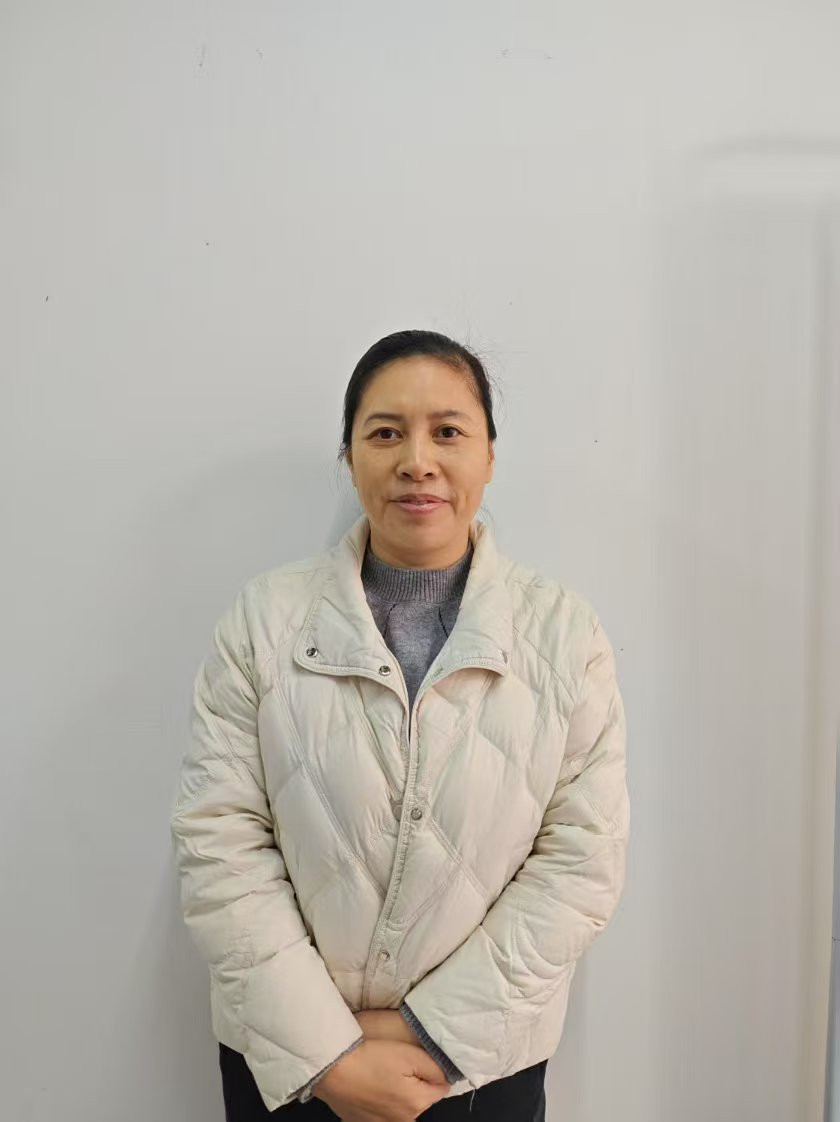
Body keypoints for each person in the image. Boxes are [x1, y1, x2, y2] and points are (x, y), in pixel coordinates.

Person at [170, 329, 631, 1121]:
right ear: (349, 456)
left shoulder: (565, 636)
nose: (418, 460)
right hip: (290, 1067)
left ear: (489, 455)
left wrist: (430, 1033)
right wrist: (328, 1053)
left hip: (479, 1069)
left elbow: (582, 863)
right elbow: (219, 839)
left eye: (448, 431)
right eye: (386, 433)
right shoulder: (264, 621)